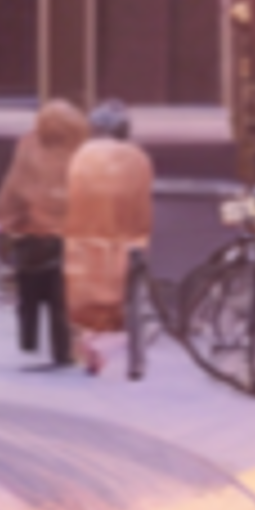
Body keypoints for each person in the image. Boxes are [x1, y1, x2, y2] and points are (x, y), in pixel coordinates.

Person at [0, 97, 85, 368]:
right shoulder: (83, 148)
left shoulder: (29, 145)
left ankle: (29, 343)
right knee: (63, 298)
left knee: (30, 292)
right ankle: (63, 350)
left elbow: (14, 184)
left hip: (33, 231)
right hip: (71, 234)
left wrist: (6, 218)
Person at [65, 100, 154, 376]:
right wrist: (141, 234)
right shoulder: (138, 157)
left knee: (83, 302)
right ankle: (127, 358)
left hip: (83, 239)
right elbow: (142, 200)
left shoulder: (81, 155)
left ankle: (87, 349)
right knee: (124, 301)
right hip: (123, 240)